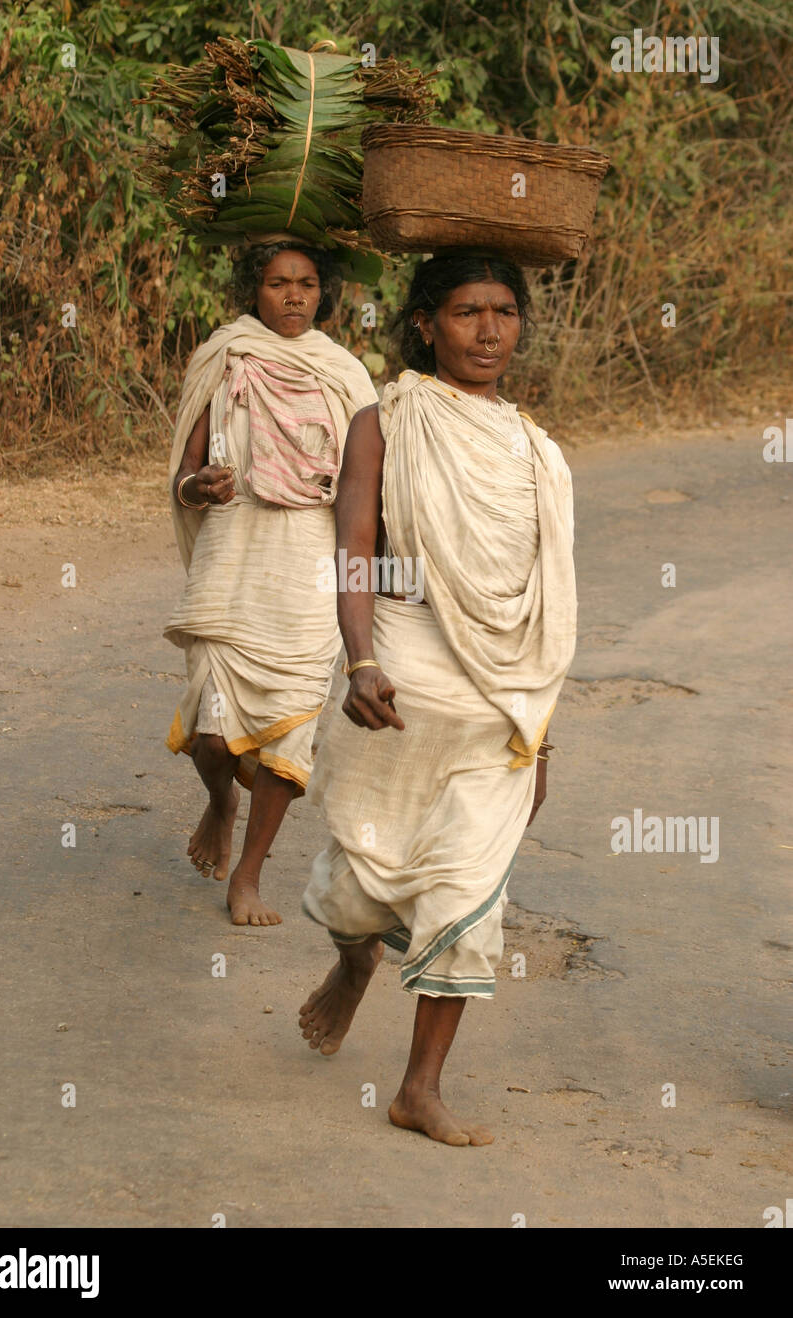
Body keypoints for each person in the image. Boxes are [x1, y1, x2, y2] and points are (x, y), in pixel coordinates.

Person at [299, 250, 577, 1144]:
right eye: (466, 312)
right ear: (425, 323)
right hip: (402, 679)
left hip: (500, 700)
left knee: (467, 892)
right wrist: (359, 659)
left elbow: (546, 599)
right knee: (359, 889)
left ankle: (419, 1086)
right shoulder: (386, 422)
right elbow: (354, 548)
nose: (489, 329)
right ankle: (352, 966)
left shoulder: (535, 450)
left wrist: (541, 729)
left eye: (503, 310)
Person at [164, 239, 378, 926]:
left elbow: (366, 487)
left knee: (291, 722)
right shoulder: (224, 359)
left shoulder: (343, 374)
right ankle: (221, 800)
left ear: (325, 292)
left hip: (311, 560)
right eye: (278, 282)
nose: (293, 296)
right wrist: (200, 485)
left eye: (307, 283)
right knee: (210, 733)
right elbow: (185, 473)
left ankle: (248, 877)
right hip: (233, 550)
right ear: (250, 290)